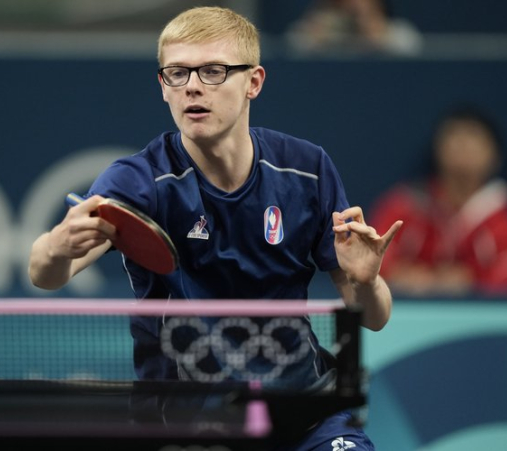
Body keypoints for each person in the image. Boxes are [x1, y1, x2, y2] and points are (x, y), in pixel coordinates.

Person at [29, 6, 401, 450]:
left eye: (212, 71)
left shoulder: (306, 170)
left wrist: (367, 280)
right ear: (162, 87)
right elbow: (45, 275)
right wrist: (57, 245)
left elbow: (375, 318)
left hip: (304, 411)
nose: (192, 88)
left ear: (253, 82)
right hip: (187, 425)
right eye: (177, 74)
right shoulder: (140, 182)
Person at [369, 105, 507, 298]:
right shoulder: (403, 206)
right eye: (454, 137)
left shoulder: (504, 221)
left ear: (495, 156)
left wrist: (471, 283)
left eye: (473, 138)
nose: (463, 145)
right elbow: (371, 259)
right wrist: (400, 276)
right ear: (437, 148)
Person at [286, 0, 422, 56]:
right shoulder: (321, 26)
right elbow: (291, 45)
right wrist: (316, 35)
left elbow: (412, 48)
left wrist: (379, 35)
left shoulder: (397, 31)